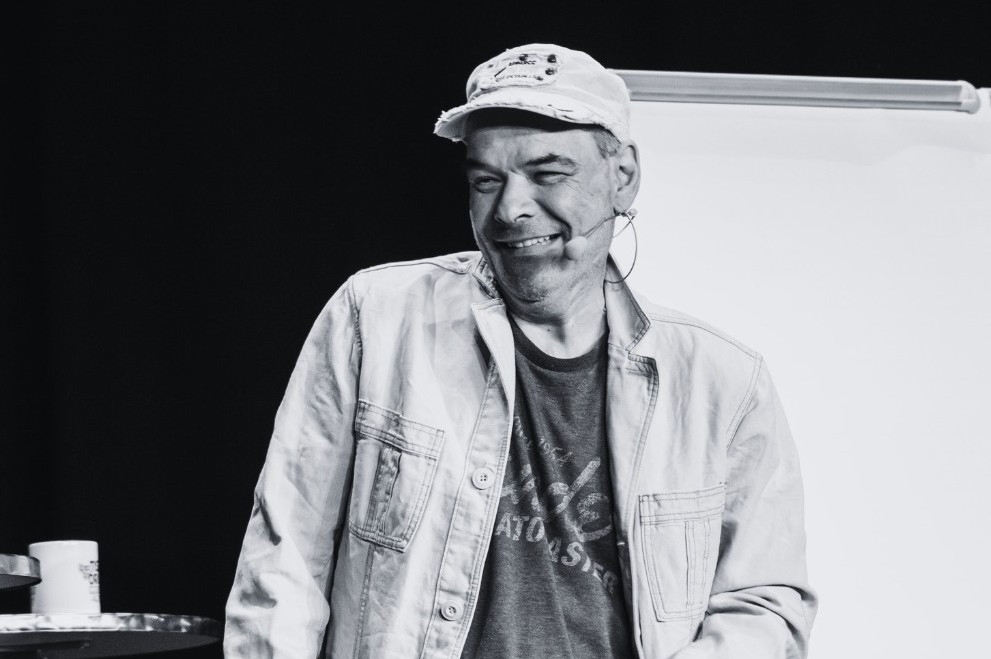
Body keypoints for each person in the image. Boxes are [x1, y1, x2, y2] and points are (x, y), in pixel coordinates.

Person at [224, 43, 817, 658]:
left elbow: (762, 606)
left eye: (548, 174)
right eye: (486, 181)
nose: (509, 209)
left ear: (623, 176)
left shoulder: (722, 382)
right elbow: (283, 567)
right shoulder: (375, 317)